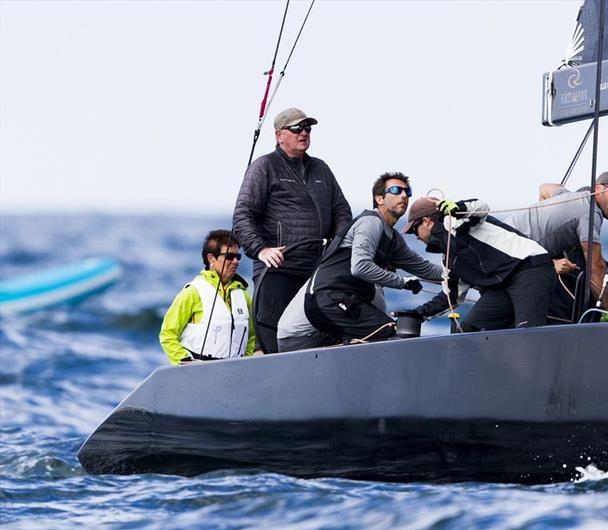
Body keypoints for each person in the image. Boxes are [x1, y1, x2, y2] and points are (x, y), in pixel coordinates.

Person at [233, 107, 352, 353]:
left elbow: (342, 212)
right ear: (279, 135)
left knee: (322, 334)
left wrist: (337, 246)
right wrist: (261, 249)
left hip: (316, 270)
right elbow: (242, 216)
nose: (304, 133)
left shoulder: (321, 168)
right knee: (273, 340)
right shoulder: (264, 166)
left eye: (307, 128)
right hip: (278, 270)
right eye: (297, 128)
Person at [304, 172, 443, 343]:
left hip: (345, 301)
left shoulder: (393, 238)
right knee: (391, 335)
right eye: (396, 190)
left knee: (385, 334)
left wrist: (458, 274)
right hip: (329, 300)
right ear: (379, 199)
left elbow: (423, 268)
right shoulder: (371, 222)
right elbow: (360, 267)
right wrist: (403, 282)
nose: (403, 196)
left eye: (407, 192)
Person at [506, 171, 608, 320]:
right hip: (508, 252)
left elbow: (545, 188)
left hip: (512, 247)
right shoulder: (589, 214)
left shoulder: (570, 198)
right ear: (598, 189)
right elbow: (596, 268)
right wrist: (607, 312)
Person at [403, 196, 556, 331]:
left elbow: (481, 207)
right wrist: (418, 314)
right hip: (501, 285)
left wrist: (458, 207)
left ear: (426, 221)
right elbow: (451, 296)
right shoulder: (448, 257)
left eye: (414, 230)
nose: (415, 237)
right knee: (467, 333)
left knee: (527, 333)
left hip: (529, 268)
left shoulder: (456, 222)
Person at [159, 229, 256, 365]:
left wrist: (245, 363)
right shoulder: (193, 292)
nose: (235, 261)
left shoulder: (243, 295)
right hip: (199, 372)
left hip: (234, 373)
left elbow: (251, 337)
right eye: (229, 256)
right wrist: (186, 362)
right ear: (211, 258)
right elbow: (167, 334)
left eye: (238, 257)